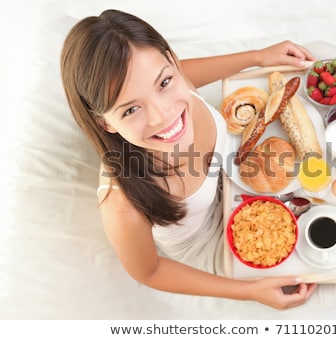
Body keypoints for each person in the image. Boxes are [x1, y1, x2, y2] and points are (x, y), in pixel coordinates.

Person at [60, 9, 317, 310]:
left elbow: (186, 74)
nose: (164, 115)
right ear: (106, 123)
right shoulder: (123, 207)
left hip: (240, 177)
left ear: (173, 62)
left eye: (164, 82)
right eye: (131, 110)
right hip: (209, 240)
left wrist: (258, 57)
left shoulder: (178, 83)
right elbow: (149, 270)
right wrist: (248, 292)